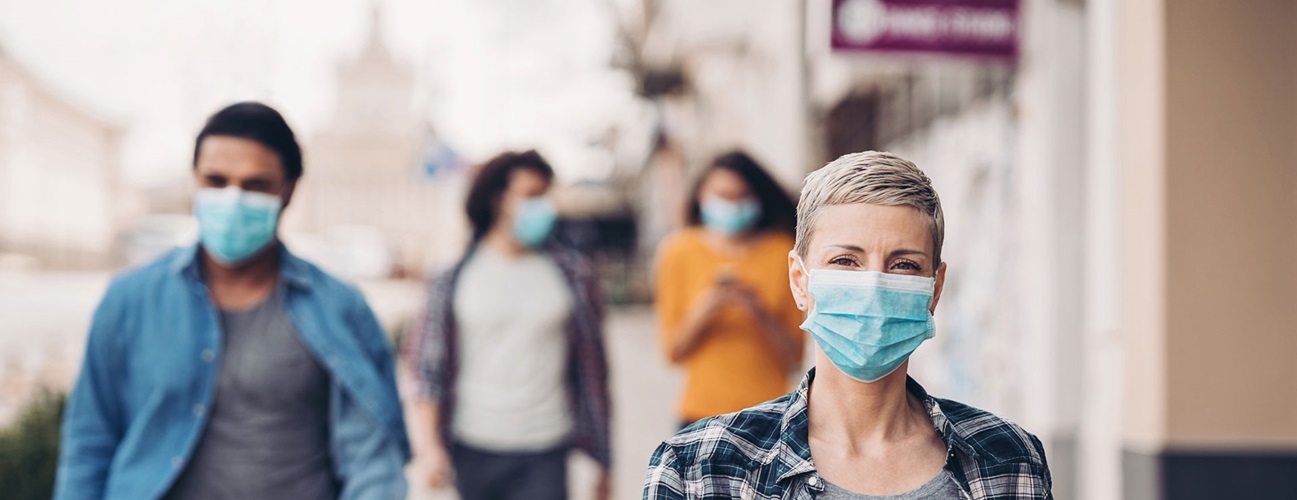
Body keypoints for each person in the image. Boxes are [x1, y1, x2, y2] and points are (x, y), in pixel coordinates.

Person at [644, 151, 1052, 499]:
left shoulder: (1009, 460)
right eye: (845, 261)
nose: (873, 286)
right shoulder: (698, 472)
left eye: (904, 265)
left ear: (935, 288)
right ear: (800, 282)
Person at [55, 102, 410, 499]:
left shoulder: (340, 308)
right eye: (216, 181)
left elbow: (373, 460)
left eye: (255, 185)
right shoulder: (129, 300)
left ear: (288, 189)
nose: (232, 199)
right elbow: (89, 442)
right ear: (194, 180)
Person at [407, 150, 611, 500]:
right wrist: (429, 448)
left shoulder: (573, 275)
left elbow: (595, 371)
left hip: (547, 447)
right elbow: (428, 369)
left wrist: (604, 461)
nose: (543, 206)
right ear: (498, 200)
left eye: (546, 195)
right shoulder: (453, 278)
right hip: (473, 446)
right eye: (531, 196)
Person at [653, 151, 804, 427]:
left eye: (741, 196)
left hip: (770, 416)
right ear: (701, 196)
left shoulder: (783, 252)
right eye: (723, 195)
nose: (732, 205)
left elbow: (794, 355)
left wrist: (759, 311)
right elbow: (673, 352)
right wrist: (705, 310)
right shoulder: (678, 252)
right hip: (699, 416)